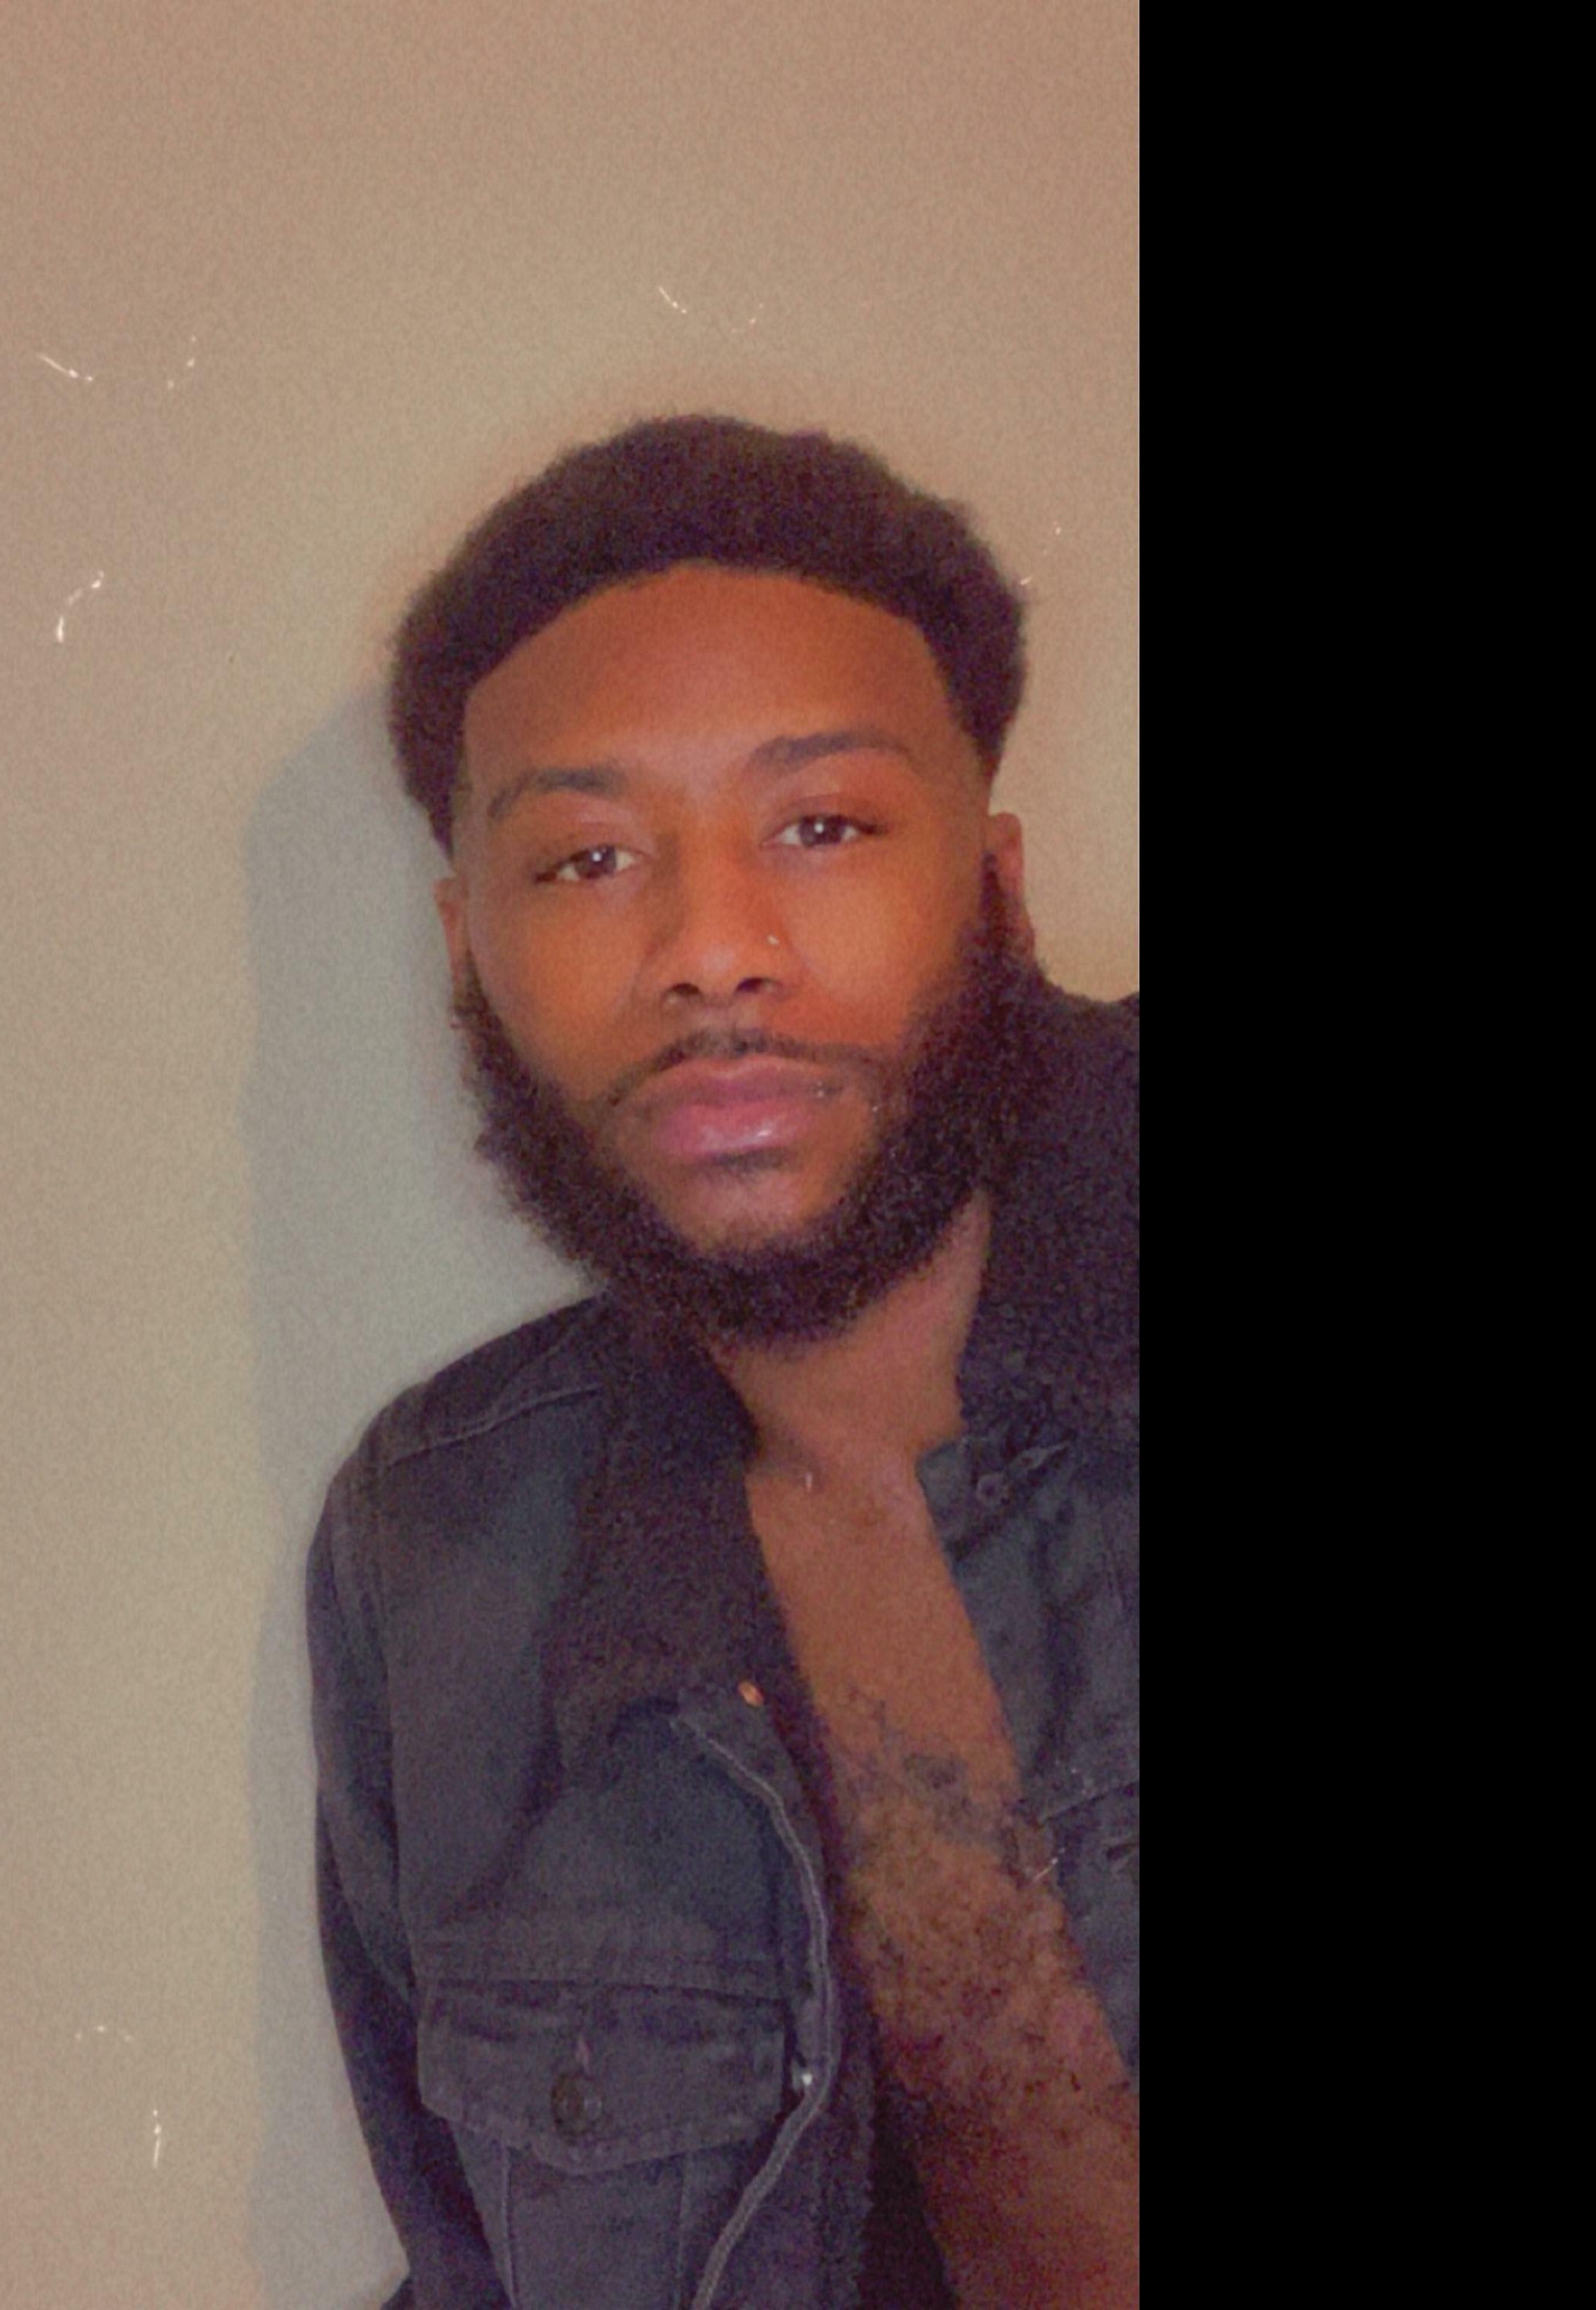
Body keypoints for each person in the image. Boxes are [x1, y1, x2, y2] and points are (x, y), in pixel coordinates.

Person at [307, 415, 1137, 2309]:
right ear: (467, 951)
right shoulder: (439, 1548)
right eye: (587, 857)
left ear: (996, 882)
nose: (712, 950)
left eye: (822, 826)